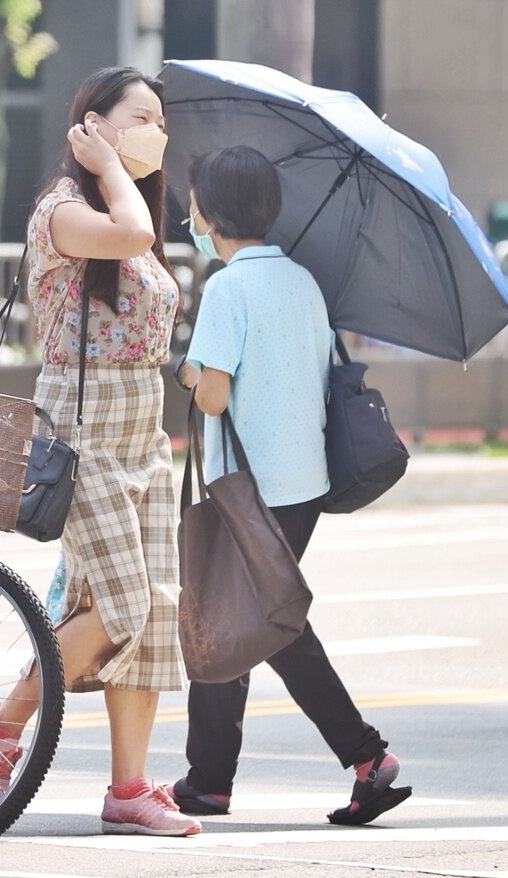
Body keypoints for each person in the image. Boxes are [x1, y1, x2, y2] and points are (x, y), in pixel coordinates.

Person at [0, 67, 200, 837]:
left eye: (161, 121)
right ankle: (1, 722)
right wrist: (106, 168)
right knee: (122, 607)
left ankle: (129, 789)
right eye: (141, 117)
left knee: (152, 612)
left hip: (144, 428)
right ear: (91, 125)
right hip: (85, 427)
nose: (156, 133)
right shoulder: (63, 210)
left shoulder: (127, 207)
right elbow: (131, 236)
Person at [168, 145, 408, 825]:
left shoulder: (227, 288)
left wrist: (188, 371)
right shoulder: (303, 281)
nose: (189, 214)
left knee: (265, 623)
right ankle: (208, 780)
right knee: (233, 620)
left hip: (249, 488)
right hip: (303, 484)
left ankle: (368, 757)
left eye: (194, 203)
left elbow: (214, 397)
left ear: (212, 214)